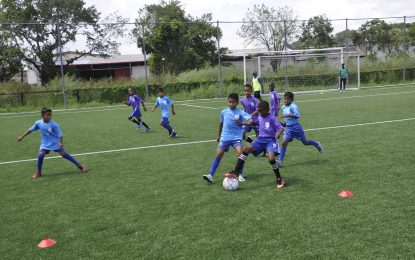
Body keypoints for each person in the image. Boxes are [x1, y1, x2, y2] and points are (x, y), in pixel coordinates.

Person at [226, 100, 286, 189]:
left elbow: (281, 128)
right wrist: (243, 123)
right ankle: (236, 172)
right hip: (260, 140)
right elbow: (255, 123)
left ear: (267, 109)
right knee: (246, 150)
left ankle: (279, 178)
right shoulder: (260, 116)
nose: (260, 113)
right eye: (259, 111)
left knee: (271, 159)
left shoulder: (272, 118)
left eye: (261, 111)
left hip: (270, 141)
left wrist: (278, 133)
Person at [17, 107, 88, 179]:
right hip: (45, 144)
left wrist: (61, 143)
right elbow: (30, 130)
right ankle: (38, 172)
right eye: (47, 115)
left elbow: (60, 134)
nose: (49, 116)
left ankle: (80, 166)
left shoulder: (54, 124)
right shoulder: (38, 123)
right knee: (40, 156)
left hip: (55, 143)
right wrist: (22, 137)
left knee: (64, 155)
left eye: (50, 115)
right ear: (42, 115)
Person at [203, 93, 253, 183]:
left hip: (236, 137)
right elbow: (221, 124)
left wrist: (244, 123)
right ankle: (210, 175)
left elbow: (250, 120)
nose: (231, 104)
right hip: (225, 137)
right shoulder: (224, 112)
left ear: (237, 103)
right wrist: (218, 135)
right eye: (229, 102)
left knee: (240, 153)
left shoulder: (240, 112)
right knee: (219, 154)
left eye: (233, 102)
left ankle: (239, 174)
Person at [279, 92, 323, 164]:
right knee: (284, 144)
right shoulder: (283, 107)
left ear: (291, 100)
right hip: (288, 129)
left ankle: (316, 144)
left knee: (305, 142)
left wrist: (287, 115)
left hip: (296, 128)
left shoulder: (293, 106)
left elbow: (297, 115)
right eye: (285, 99)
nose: (286, 100)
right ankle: (280, 161)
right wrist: (282, 124)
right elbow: (287, 121)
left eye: (288, 99)